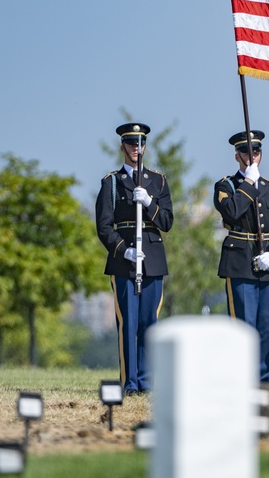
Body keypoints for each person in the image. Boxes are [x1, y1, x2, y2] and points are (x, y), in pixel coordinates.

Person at [94, 122, 174, 395]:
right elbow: (104, 227)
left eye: (140, 144)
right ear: (123, 147)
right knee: (127, 322)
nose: (136, 149)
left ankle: (148, 382)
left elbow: (167, 221)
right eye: (131, 144)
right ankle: (130, 382)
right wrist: (123, 249)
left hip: (151, 257)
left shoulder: (158, 181)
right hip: (125, 258)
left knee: (149, 322)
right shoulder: (112, 183)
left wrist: (150, 203)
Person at [213, 130, 269, 388]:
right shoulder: (226, 186)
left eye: (256, 152)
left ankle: (265, 383)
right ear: (237, 155)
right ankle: (241, 381)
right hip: (239, 264)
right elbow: (233, 211)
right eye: (246, 152)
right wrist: (248, 183)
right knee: (242, 328)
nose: (251, 157)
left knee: (268, 328)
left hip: (268, 266)